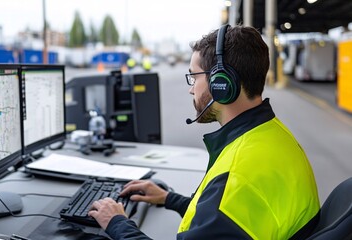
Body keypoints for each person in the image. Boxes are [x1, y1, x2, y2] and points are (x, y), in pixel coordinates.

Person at [88, 25, 320, 239]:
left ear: (222, 84)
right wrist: (170, 199)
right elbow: (229, 218)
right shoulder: (270, 134)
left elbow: (228, 203)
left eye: (194, 76)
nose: (191, 89)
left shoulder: (237, 176)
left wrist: (116, 222)